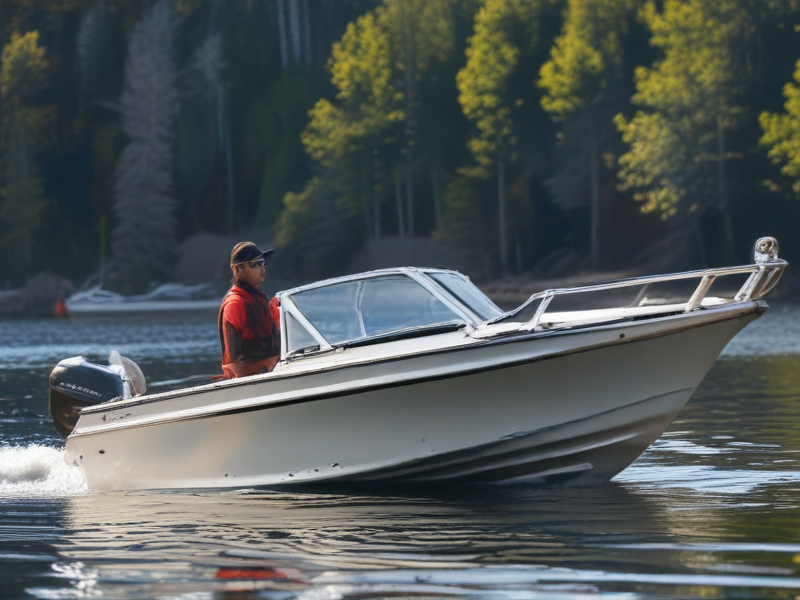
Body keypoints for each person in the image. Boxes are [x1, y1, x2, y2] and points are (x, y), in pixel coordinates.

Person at [218, 242, 281, 379]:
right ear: (238, 270)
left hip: (275, 372)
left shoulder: (262, 299)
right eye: (255, 265)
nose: (262, 270)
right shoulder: (235, 304)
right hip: (250, 382)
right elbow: (235, 363)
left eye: (262, 264)